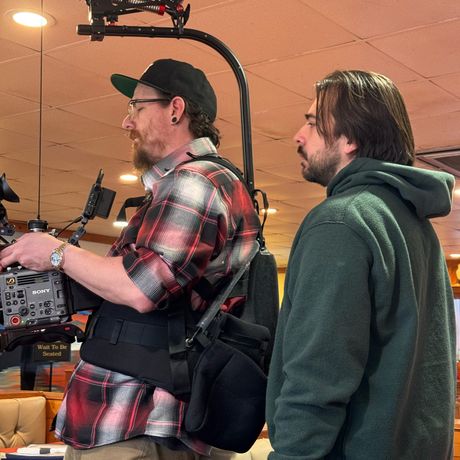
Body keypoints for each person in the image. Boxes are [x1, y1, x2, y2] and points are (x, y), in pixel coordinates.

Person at [0, 58, 260, 459]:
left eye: (136, 107)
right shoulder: (197, 183)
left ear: (175, 110)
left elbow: (141, 287)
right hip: (127, 423)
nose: (127, 122)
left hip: (141, 424)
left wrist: (55, 252)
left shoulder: (194, 183)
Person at [266, 70, 456, 459]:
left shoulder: (340, 222)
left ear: (350, 138)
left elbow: (317, 374)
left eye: (313, 123)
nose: (299, 136)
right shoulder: (413, 224)